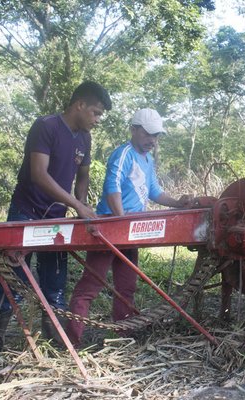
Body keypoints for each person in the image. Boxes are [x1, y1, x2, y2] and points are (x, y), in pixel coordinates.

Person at [0, 81, 112, 353]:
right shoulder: (47, 126)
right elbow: (39, 175)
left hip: (57, 218)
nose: (98, 120)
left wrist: (80, 202)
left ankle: (54, 342)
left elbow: (84, 174)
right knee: (14, 283)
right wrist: (76, 206)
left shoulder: (85, 138)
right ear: (79, 104)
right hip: (26, 213)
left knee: (55, 285)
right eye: (96, 112)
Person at [66, 108, 193, 346]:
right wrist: (121, 220)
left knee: (127, 286)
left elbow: (153, 190)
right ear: (134, 130)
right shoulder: (123, 154)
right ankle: (72, 340)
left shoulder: (148, 159)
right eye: (147, 135)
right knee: (90, 286)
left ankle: (124, 334)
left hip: (130, 230)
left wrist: (177, 203)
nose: (152, 141)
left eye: (156, 136)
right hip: (110, 229)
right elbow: (111, 186)